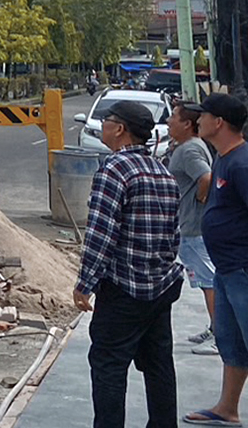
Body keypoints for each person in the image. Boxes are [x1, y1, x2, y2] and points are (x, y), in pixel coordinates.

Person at [73, 99, 183, 428]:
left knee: (108, 366)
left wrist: (85, 284)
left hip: (123, 290)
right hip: (160, 288)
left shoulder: (114, 169)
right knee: (159, 364)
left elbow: (101, 235)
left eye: (106, 122)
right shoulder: (163, 173)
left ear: (119, 129)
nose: (102, 126)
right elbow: (172, 237)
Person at [184, 92, 248, 426]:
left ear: (218, 122)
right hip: (226, 268)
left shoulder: (241, 162)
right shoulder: (224, 157)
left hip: (242, 268)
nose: (198, 121)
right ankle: (228, 408)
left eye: (203, 115)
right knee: (232, 342)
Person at [170, 101, 220, 356]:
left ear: (187, 124)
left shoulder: (189, 150)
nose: (169, 121)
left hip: (194, 228)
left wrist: (201, 198)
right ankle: (215, 328)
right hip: (190, 227)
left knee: (210, 282)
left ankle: (222, 336)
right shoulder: (187, 147)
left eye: (173, 117)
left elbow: (207, 178)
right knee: (204, 282)